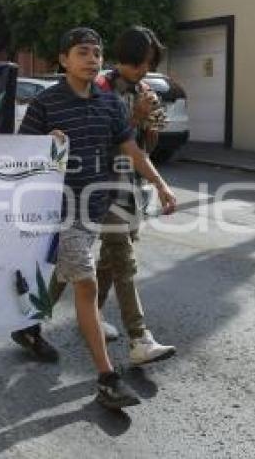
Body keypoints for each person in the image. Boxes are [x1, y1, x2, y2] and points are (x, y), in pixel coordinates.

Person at [15, 27, 177, 410]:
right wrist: (44, 145)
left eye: (96, 53)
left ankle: (26, 323)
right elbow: (20, 154)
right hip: (62, 209)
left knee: (73, 273)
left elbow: (133, 149)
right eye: (82, 52)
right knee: (86, 285)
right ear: (63, 60)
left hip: (98, 205)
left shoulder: (109, 104)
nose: (91, 59)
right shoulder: (46, 104)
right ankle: (107, 377)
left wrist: (162, 184)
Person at [92, 25, 175, 365]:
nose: (145, 71)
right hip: (102, 186)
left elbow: (147, 147)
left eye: (149, 64)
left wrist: (151, 124)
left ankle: (88, 314)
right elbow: (99, 140)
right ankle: (139, 338)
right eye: (140, 63)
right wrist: (135, 116)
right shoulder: (100, 89)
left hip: (132, 187)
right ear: (124, 58)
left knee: (110, 261)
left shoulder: (143, 89)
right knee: (123, 260)